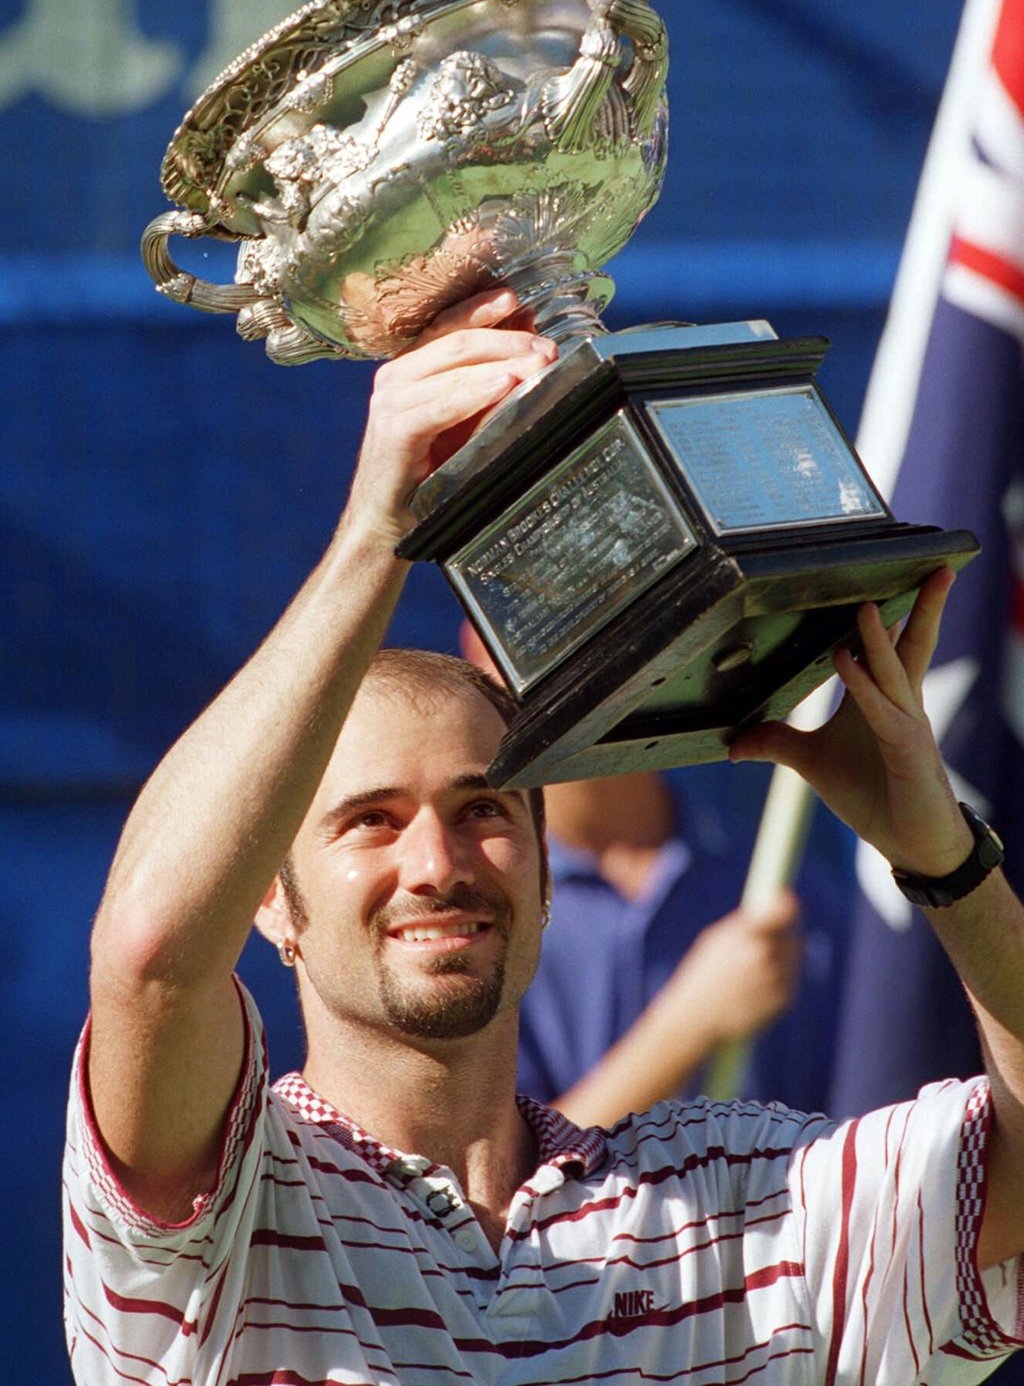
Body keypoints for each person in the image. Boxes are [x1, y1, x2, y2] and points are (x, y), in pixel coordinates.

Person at [64, 288, 1024, 1384]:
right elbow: (147, 959)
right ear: (269, 900)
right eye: (368, 821)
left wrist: (944, 857)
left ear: (543, 862)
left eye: (481, 809)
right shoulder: (214, 1210)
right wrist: (380, 534)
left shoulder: (739, 1199)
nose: (435, 863)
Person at [459, 620, 818, 1122]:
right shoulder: (464, 916)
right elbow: (500, 1186)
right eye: (541, 629)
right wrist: (690, 1024)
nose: (576, 670)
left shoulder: (785, 889)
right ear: (482, 657)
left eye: (607, 626)